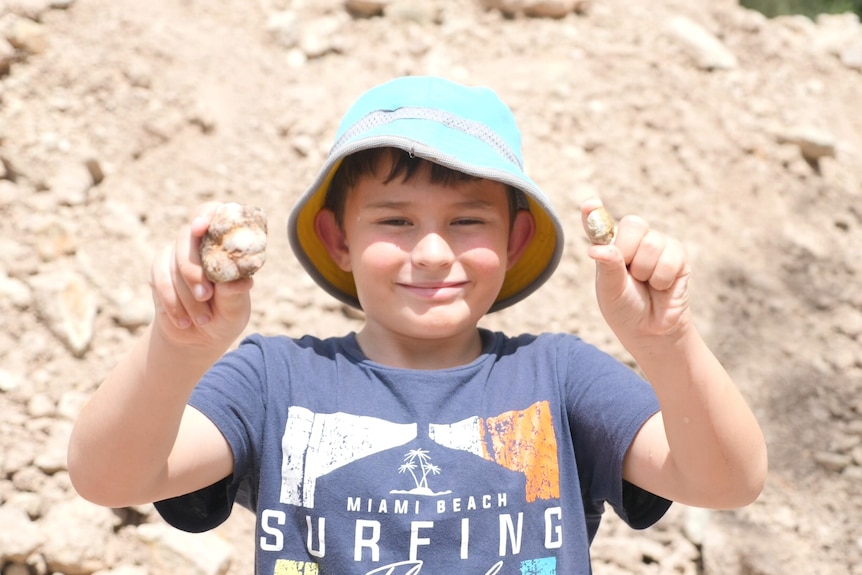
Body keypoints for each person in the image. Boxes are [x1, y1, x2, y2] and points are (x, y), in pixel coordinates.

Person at [68, 76, 767, 574]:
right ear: (336, 237)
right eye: (395, 220)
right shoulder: (273, 379)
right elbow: (109, 476)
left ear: (516, 239)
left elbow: (726, 481)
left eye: (468, 220)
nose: (433, 250)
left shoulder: (560, 376)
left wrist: (665, 342)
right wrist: (176, 348)